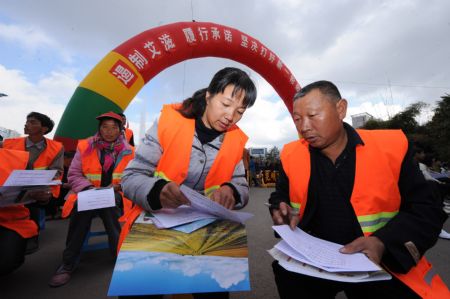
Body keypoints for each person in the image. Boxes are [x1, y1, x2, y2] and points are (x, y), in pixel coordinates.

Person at [268, 81, 448, 299]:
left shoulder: (390, 148)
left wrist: (382, 242)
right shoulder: (291, 155)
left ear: (340, 109)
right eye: (297, 119)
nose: (304, 126)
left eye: (313, 115)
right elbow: (281, 196)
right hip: (312, 262)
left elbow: (426, 209)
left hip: (378, 259)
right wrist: (280, 209)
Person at [119, 67, 257, 299]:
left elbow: (242, 185)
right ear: (209, 95)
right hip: (158, 225)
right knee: (141, 290)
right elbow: (131, 177)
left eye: (240, 111)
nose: (230, 116)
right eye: (225, 104)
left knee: (213, 292)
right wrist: (157, 190)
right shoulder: (169, 123)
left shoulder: (234, 140)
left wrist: (231, 191)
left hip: (208, 233)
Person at [48, 111, 135, 287]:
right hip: (87, 192)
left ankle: (119, 255)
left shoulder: (130, 151)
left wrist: (117, 187)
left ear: (120, 130)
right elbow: (73, 174)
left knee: (110, 207)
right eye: (105, 127)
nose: (109, 131)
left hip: (116, 194)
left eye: (114, 127)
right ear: (99, 128)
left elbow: (134, 177)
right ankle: (68, 263)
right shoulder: (84, 146)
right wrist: (89, 189)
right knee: (81, 209)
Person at [0, 112, 64, 253]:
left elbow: (57, 172)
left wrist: (45, 189)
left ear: (44, 129)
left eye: (32, 122)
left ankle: (31, 236)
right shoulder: (7, 144)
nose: (26, 124)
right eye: (27, 121)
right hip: (11, 187)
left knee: (34, 198)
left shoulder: (57, 147)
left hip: (42, 188)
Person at [0, 148, 53, 275]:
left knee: (7, 262)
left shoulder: (20, 159)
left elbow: (34, 191)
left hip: (11, 221)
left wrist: (42, 197)